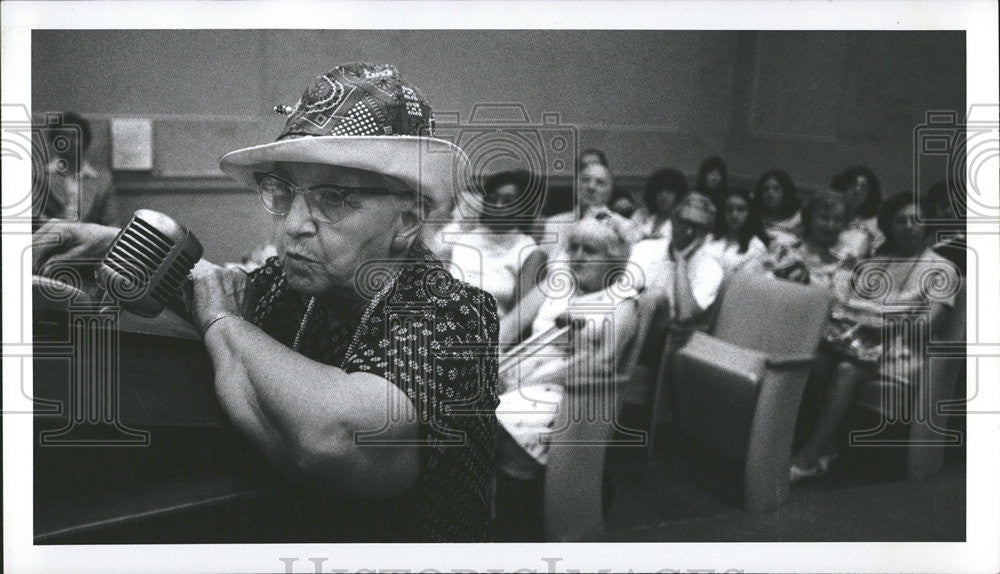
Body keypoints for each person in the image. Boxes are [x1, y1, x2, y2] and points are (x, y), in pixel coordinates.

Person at [32, 63, 500, 542]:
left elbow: (336, 442)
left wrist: (222, 324)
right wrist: (109, 243)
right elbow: (215, 285)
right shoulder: (292, 283)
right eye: (283, 192)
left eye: (333, 199)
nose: (294, 224)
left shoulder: (452, 312)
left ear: (405, 221)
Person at [791, 193, 960, 480]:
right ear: (889, 226)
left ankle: (809, 457)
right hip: (858, 341)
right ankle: (824, 444)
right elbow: (847, 304)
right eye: (900, 220)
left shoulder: (943, 269)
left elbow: (924, 327)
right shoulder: (880, 260)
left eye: (916, 220)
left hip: (903, 349)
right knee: (816, 360)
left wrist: (883, 317)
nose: (909, 226)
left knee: (847, 369)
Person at [494, 213, 639, 541]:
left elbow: (600, 364)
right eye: (572, 246)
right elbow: (513, 323)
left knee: (505, 420)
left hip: (572, 393)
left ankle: (516, 529)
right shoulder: (558, 280)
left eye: (590, 250)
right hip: (524, 372)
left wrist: (523, 384)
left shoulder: (623, 303)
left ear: (614, 258)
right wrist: (494, 358)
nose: (577, 256)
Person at [446, 169, 547, 317]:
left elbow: (518, 320)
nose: (498, 206)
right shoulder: (459, 240)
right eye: (492, 199)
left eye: (508, 201)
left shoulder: (530, 253)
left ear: (525, 209)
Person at [33, 111, 118, 228]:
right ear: (55, 142)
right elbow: (33, 215)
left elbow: (112, 224)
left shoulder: (102, 180)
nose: (70, 141)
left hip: (91, 242)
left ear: (85, 141)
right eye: (64, 136)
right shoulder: (40, 175)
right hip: (51, 241)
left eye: (75, 136)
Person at [755, 189, 851, 288]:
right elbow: (758, 285)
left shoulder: (845, 264)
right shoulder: (782, 250)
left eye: (838, 220)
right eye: (824, 218)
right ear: (809, 218)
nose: (830, 226)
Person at [538, 161, 616, 262]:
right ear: (576, 187)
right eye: (585, 180)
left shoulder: (619, 227)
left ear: (610, 191)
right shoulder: (554, 224)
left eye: (600, 182)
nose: (591, 187)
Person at [704, 186, 769, 276]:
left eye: (741, 209)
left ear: (749, 213)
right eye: (729, 209)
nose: (734, 215)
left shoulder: (757, 247)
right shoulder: (709, 238)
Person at [830, 165, 884, 259]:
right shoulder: (821, 209)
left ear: (869, 194)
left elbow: (878, 258)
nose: (857, 190)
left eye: (863, 187)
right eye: (852, 185)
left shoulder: (874, 225)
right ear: (842, 187)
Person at [631, 167, 688, 241]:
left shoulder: (684, 222)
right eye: (659, 191)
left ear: (678, 194)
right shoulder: (640, 215)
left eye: (669, 191)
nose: (663, 195)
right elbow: (627, 241)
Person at [753, 169, 803, 245]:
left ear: (786, 191)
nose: (770, 193)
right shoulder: (754, 217)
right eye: (765, 189)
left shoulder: (799, 219)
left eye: (776, 189)